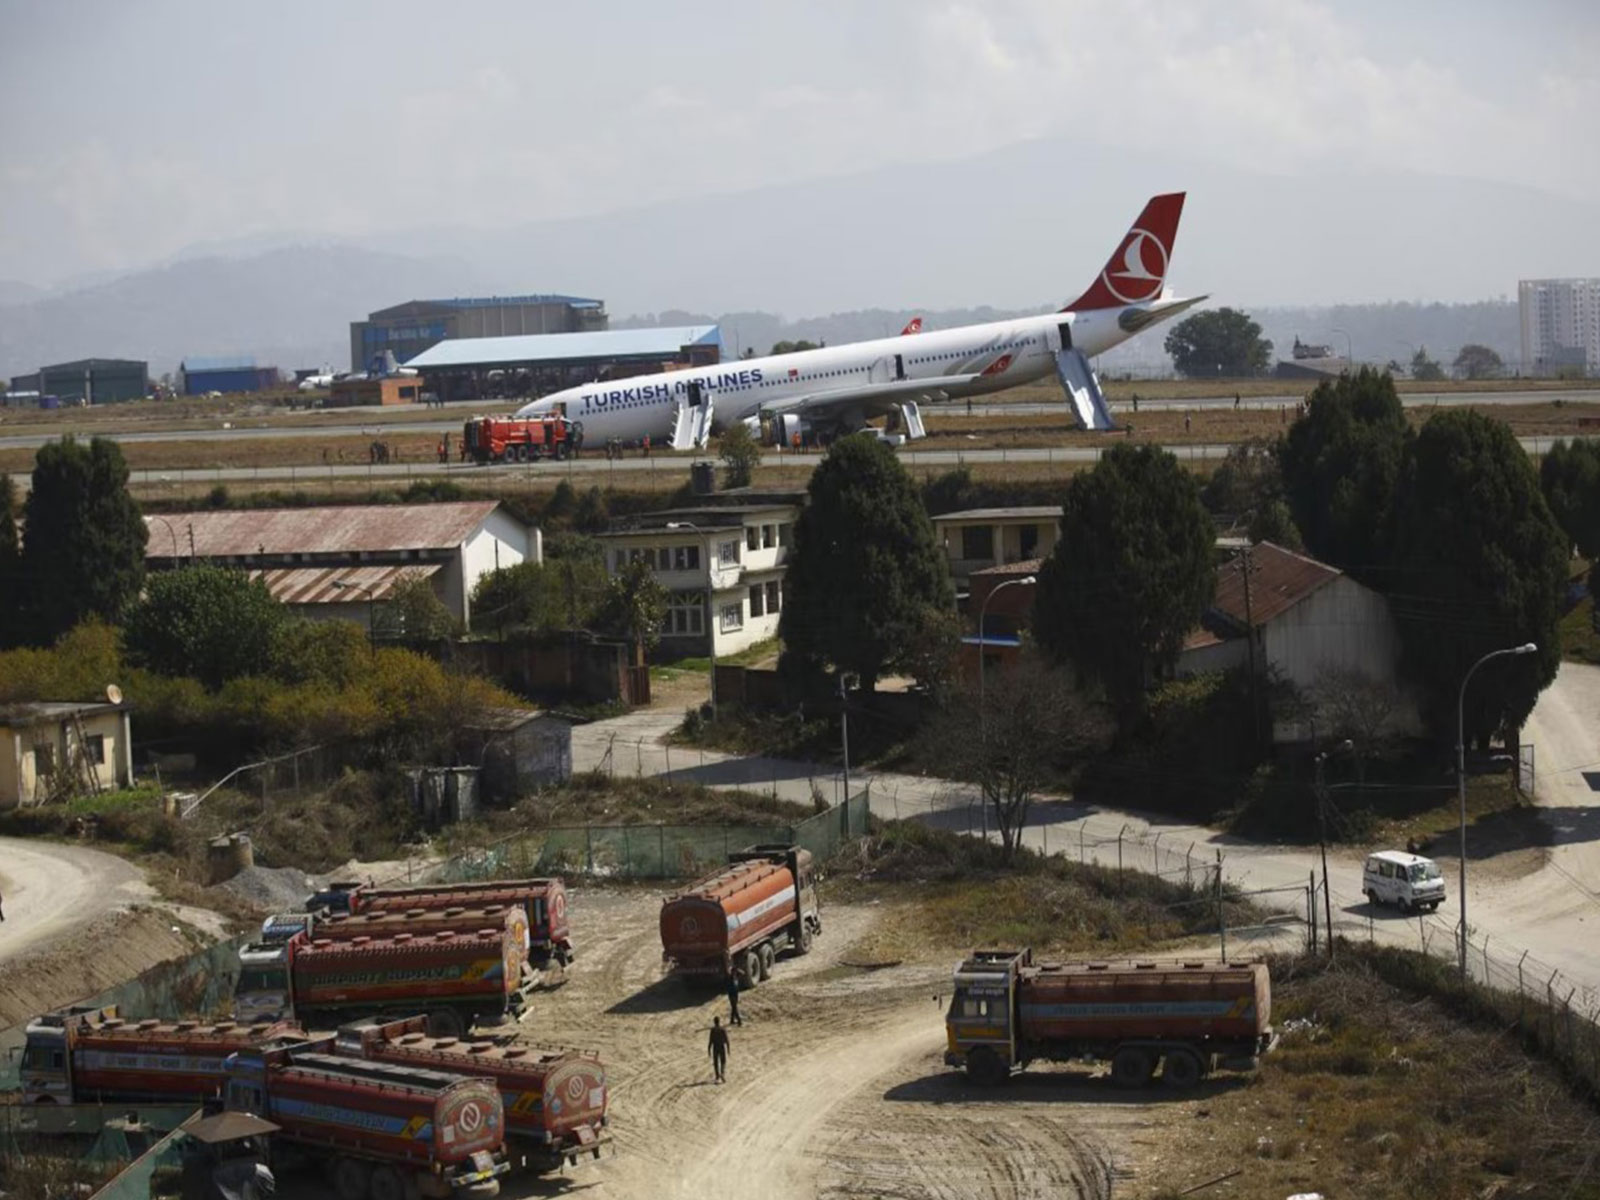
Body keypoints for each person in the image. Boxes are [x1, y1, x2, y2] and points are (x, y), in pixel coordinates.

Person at [708, 1016, 729, 1083]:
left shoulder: (713, 1030)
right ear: (719, 1021)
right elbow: (726, 1039)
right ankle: (722, 1073)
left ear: (714, 1022)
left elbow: (710, 1040)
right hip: (721, 1046)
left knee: (716, 1062)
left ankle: (717, 1076)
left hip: (715, 1047)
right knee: (723, 1061)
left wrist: (709, 1049)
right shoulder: (722, 1029)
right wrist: (728, 1048)